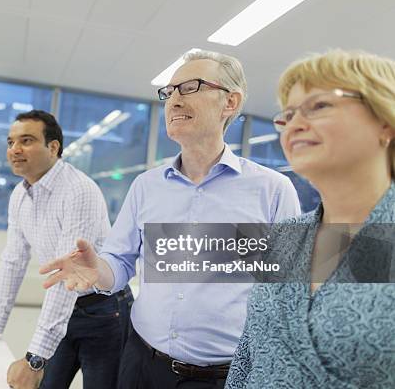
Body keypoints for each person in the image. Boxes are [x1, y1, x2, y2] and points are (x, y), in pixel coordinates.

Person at [40, 50, 301, 389]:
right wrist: (98, 272)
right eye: (169, 91)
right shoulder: (146, 186)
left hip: (227, 376)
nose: (174, 100)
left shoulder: (273, 190)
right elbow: (118, 263)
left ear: (230, 102)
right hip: (141, 364)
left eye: (190, 87)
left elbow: (288, 290)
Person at [225, 50, 395, 388]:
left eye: (318, 106)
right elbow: (249, 354)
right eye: (287, 115)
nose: (295, 124)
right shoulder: (287, 235)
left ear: (385, 122)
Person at [0, 110, 133, 389]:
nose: (14, 150)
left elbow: (65, 275)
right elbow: (13, 260)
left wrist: (35, 358)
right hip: (64, 312)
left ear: (53, 147)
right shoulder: (20, 194)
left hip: (105, 312)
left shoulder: (78, 190)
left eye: (26, 140)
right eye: (10, 142)